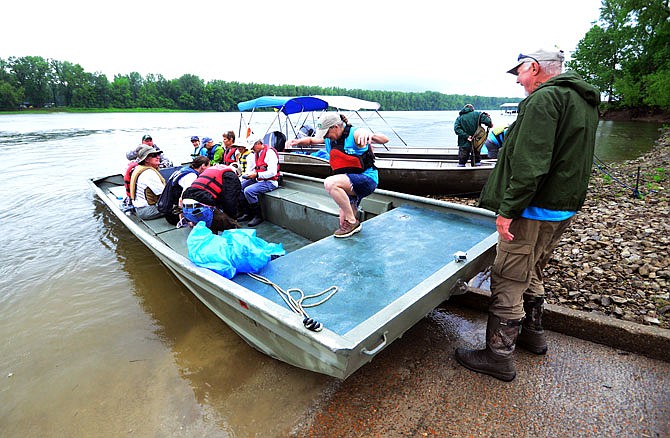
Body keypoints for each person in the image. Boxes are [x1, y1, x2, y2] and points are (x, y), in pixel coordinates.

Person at [454, 49, 600, 382]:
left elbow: (531, 165)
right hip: (563, 205)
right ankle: (533, 335)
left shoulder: (542, 101)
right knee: (533, 265)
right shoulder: (584, 100)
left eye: (519, 73)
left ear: (534, 68)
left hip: (533, 208)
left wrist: (508, 211)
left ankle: (498, 357)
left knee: (508, 275)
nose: (518, 81)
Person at [287, 113, 389, 238]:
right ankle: (351, 225)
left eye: (326, 133)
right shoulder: (330, 138)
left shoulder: (355, 134)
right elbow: (312, 140)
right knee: (342, 222)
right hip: (349, 183)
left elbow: (384, 139)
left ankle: (353, 222)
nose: (326, 137)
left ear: (335, 127)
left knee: (330, 183)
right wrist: (297, 142)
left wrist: (369, 134)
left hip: (366, 180)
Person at [181, 164, 242, 233]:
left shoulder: (212, 170)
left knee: (212, 223)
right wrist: (233, 218)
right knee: (231, 225)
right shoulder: (231, 176)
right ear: (237, 174)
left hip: (186, 210)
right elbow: (230, 200)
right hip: (200, 210)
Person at [237, 136, 280, 227]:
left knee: (248, 191)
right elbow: (254, 169)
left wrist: (257, 175)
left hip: (270, 182)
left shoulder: (270, 153)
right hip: (259, 179)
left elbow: (272, 172)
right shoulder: (256, 153)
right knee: (239, 187)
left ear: (258, 143)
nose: (252, 149)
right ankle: (247, 213)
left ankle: (258, 216)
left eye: (253, 146)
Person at [158, 156, 210, 225]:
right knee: (207, 213)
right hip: (174, 215)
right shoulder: (191, 176)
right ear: (203, 166)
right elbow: (182, 198)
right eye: (209, 165)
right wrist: (186, 218)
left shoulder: (184, 170)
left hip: (168, 209)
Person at [128, 145, 167, 220]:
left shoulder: (139, 168)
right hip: (147, 210)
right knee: (177, 207)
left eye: (158, 155)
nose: (158, 157)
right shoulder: (149, 173)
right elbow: (165, 194)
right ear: (146, 160)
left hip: (140, 208)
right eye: (154, 155)